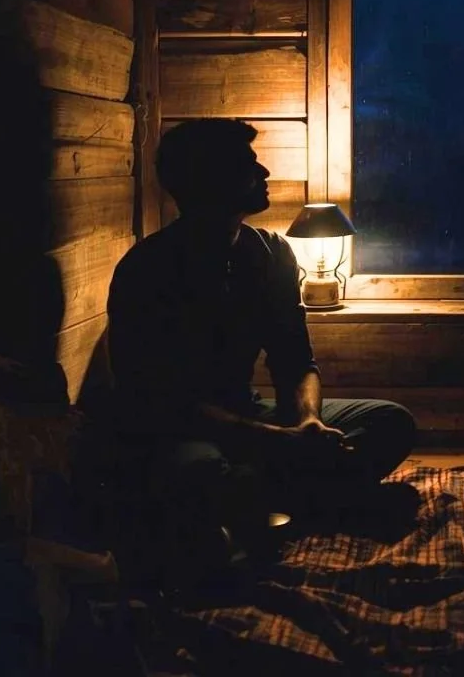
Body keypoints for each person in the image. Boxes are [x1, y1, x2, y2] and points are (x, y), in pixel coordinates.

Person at [103, 119, 417, 586]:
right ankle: (302, 498)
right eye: (249, 167)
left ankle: (273, 498)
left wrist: (307, 421)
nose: (265, 172)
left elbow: (295, 360)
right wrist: (274, 441)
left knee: (389, 421)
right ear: (210, 181)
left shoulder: (270, 254)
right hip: (177, 432)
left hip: (251, 415)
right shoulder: (148, 271)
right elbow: (163, 405)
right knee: (197, 473)